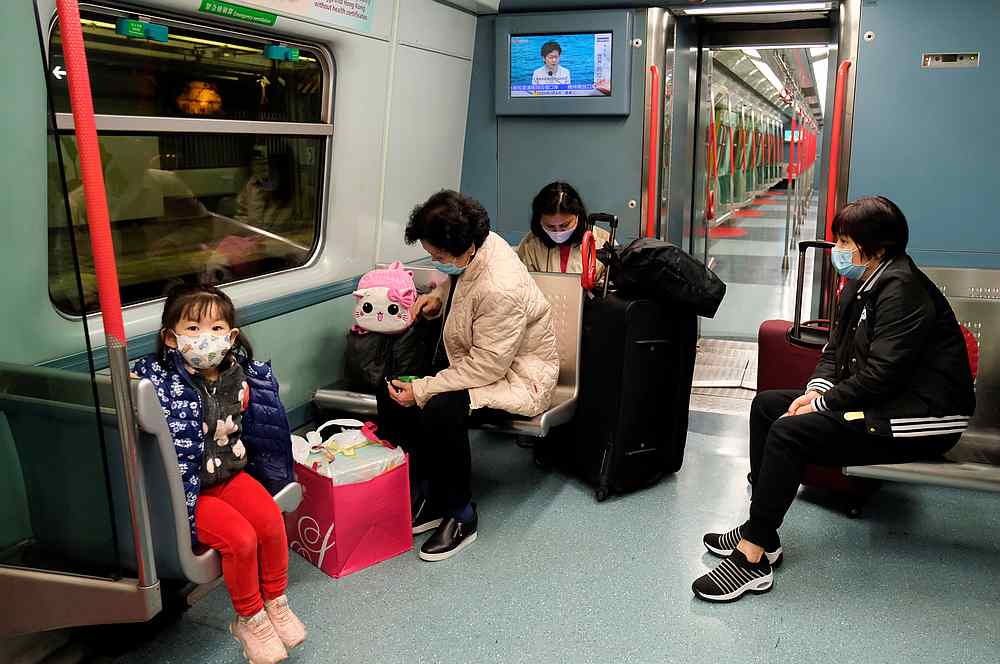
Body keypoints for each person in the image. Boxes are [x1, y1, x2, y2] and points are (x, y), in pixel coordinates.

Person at [691, 196, 976, 603]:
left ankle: (753, 556)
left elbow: (881, 376)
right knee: (767, 406)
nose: (839, 250)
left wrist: (823, 407)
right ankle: (763, 529)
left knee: (790, 432)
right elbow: (833, 352)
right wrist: (815, 392)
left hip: (925, 416)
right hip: (887, 402)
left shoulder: (903, 291)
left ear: (877, 248)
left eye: (846, 241)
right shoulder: (862, 285)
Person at [376, 190, 559, 562]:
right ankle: (429, 493)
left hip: (519, 376)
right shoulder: (478, 243)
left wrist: (426, 388)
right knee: (391, 391)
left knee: (442, 406)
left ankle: (460, 514)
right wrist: (439, 296)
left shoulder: (501, 287)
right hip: (480, 361)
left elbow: (488, 366)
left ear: (466, 249)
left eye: (439, 258)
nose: (435, 262)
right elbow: (462, 280)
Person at [132, 285, 306, 662]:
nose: (203, 338)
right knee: (241, 540)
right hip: (190, 488)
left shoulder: (238, 373)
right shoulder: (159, 379)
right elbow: (137, 383)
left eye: (214, 329)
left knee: (271, 523)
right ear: (170, 337)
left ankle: (275, 601)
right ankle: (249, 618)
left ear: (230, 337)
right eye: (192, 329)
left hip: (230, 475)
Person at [515, 182, 610, 281]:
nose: (558, 232)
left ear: (578, 216)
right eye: (550, 226)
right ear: (539, 221)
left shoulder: (603, 242)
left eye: (565, 225)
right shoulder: (529, 244)